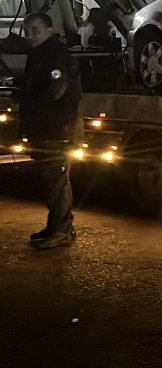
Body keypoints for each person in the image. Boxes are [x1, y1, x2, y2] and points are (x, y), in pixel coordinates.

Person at [0, 13, 81, 249]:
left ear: (50, 30)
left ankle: (61, 230)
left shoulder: (55, 55)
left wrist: (20, 95)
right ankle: (57, 227)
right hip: (47, 128)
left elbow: (54, 91)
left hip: (57, 128)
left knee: (54, 179)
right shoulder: (42, 53)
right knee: (51, 180)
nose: (30, 36)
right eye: (27, 32)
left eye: (35, 30)